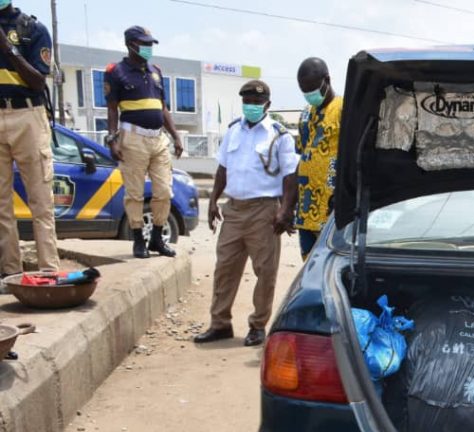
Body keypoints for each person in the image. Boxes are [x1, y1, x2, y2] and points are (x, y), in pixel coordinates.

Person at [194, 80, 298, 347]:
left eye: (256, 102)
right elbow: (222, 169)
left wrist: (285, 210)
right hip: (234, 209)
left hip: (264, 211)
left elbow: (290, 176)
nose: (251, 106)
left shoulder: (279, 135)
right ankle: (220, 324)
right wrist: (213, 201)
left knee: (265, 271)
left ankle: (257, 325)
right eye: (247, 101)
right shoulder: (233, 131)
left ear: (267, 104)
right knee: (224, 268)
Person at [103, 26, 181, 259]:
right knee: (135, 193)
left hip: (158, 138)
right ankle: (138, 240)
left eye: (150, 44)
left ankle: (156, 238)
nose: (148, 48)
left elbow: (162, 108)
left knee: (164, 191)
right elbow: (112, 109)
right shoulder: (116, 71)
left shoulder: (156, 71)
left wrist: (176, 135)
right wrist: (112, 139)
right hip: (132, 139)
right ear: (131, 45)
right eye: (144, 44)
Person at [0, 2, 60, 278]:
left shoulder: (32, 29)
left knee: (40, 201)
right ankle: (11, 273)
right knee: (2, 206)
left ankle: (48, 271)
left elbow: (38, 81)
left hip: (28, 116)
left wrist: (7, 47)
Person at [288, 57, 342, 260]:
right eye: (304, 91)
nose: (309, 95)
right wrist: (288, 207)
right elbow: (302, 161)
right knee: (309, 268)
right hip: (306, 214)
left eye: (312, 89)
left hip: (332, 213)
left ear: (327, 80)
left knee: (331, 267)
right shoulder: (305, 115)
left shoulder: (344, 110)